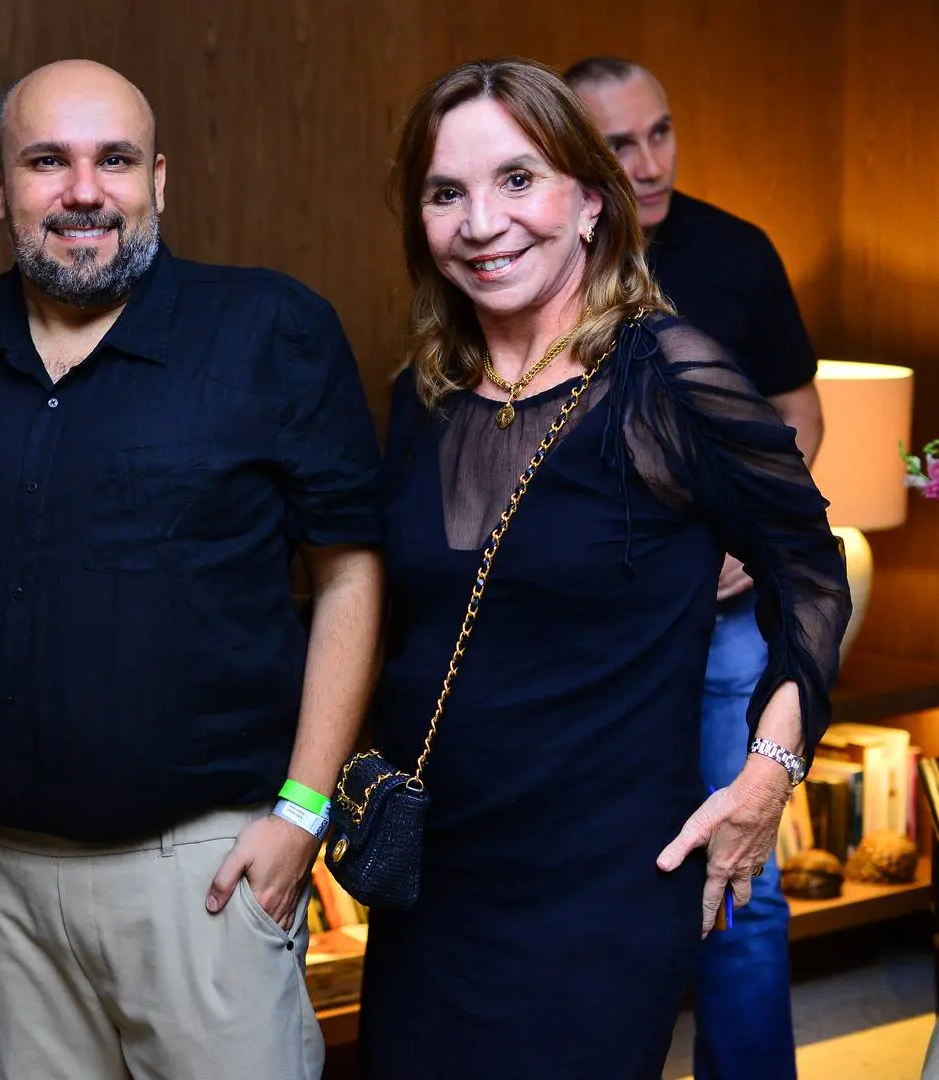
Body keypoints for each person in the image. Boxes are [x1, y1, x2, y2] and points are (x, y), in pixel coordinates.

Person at [0, 59, 385, 1080]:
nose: (84, 191)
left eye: (114, 160)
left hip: (201, 873)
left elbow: (350, 575)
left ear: (157, 179)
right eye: (47, 162)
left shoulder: (269, 329)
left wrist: (303, 813)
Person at [360, 58, 849, 1079]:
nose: (482, 223)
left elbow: (810, 570)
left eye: (517, 180)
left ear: (589, 202)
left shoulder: (669, 378)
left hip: (597, 893)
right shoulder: (425, 393)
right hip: (436, 886)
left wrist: (766, 778)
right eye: (446, 193)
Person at [566, 55, 824, 1080]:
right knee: (586, 875)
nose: (648, 162)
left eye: (660, 133)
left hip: (721, 630)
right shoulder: (539, 254)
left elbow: (797, 409)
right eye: (618, 144)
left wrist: (753, 531)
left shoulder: (735, 250)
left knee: (741, 889)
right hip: (590, 631)